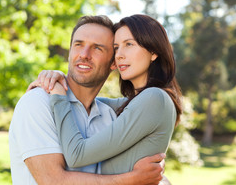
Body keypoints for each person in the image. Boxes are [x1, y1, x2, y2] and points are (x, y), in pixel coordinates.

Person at [9, 15, 167, 185]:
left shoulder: (109, 116)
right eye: (78, 45)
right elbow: (52, 181)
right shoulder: (38, 102)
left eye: (97, 48)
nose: (84, 55)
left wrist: (156, 177)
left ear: (113, 62)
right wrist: (130, 180)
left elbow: (144, 173)